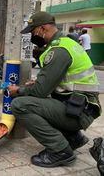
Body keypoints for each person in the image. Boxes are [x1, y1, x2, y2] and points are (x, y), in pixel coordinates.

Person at [8, 12, 101, 168]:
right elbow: (61, 80)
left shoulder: (57, 50)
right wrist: (39, 82)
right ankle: (73, 138)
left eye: (33, 32)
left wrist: (18, 90)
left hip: (78, 111)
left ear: (42, 29)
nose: (32, 36)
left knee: (20, 105)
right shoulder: (66, 43)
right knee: (41, 103)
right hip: (81, 106)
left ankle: (61, 151)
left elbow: (39, 92)